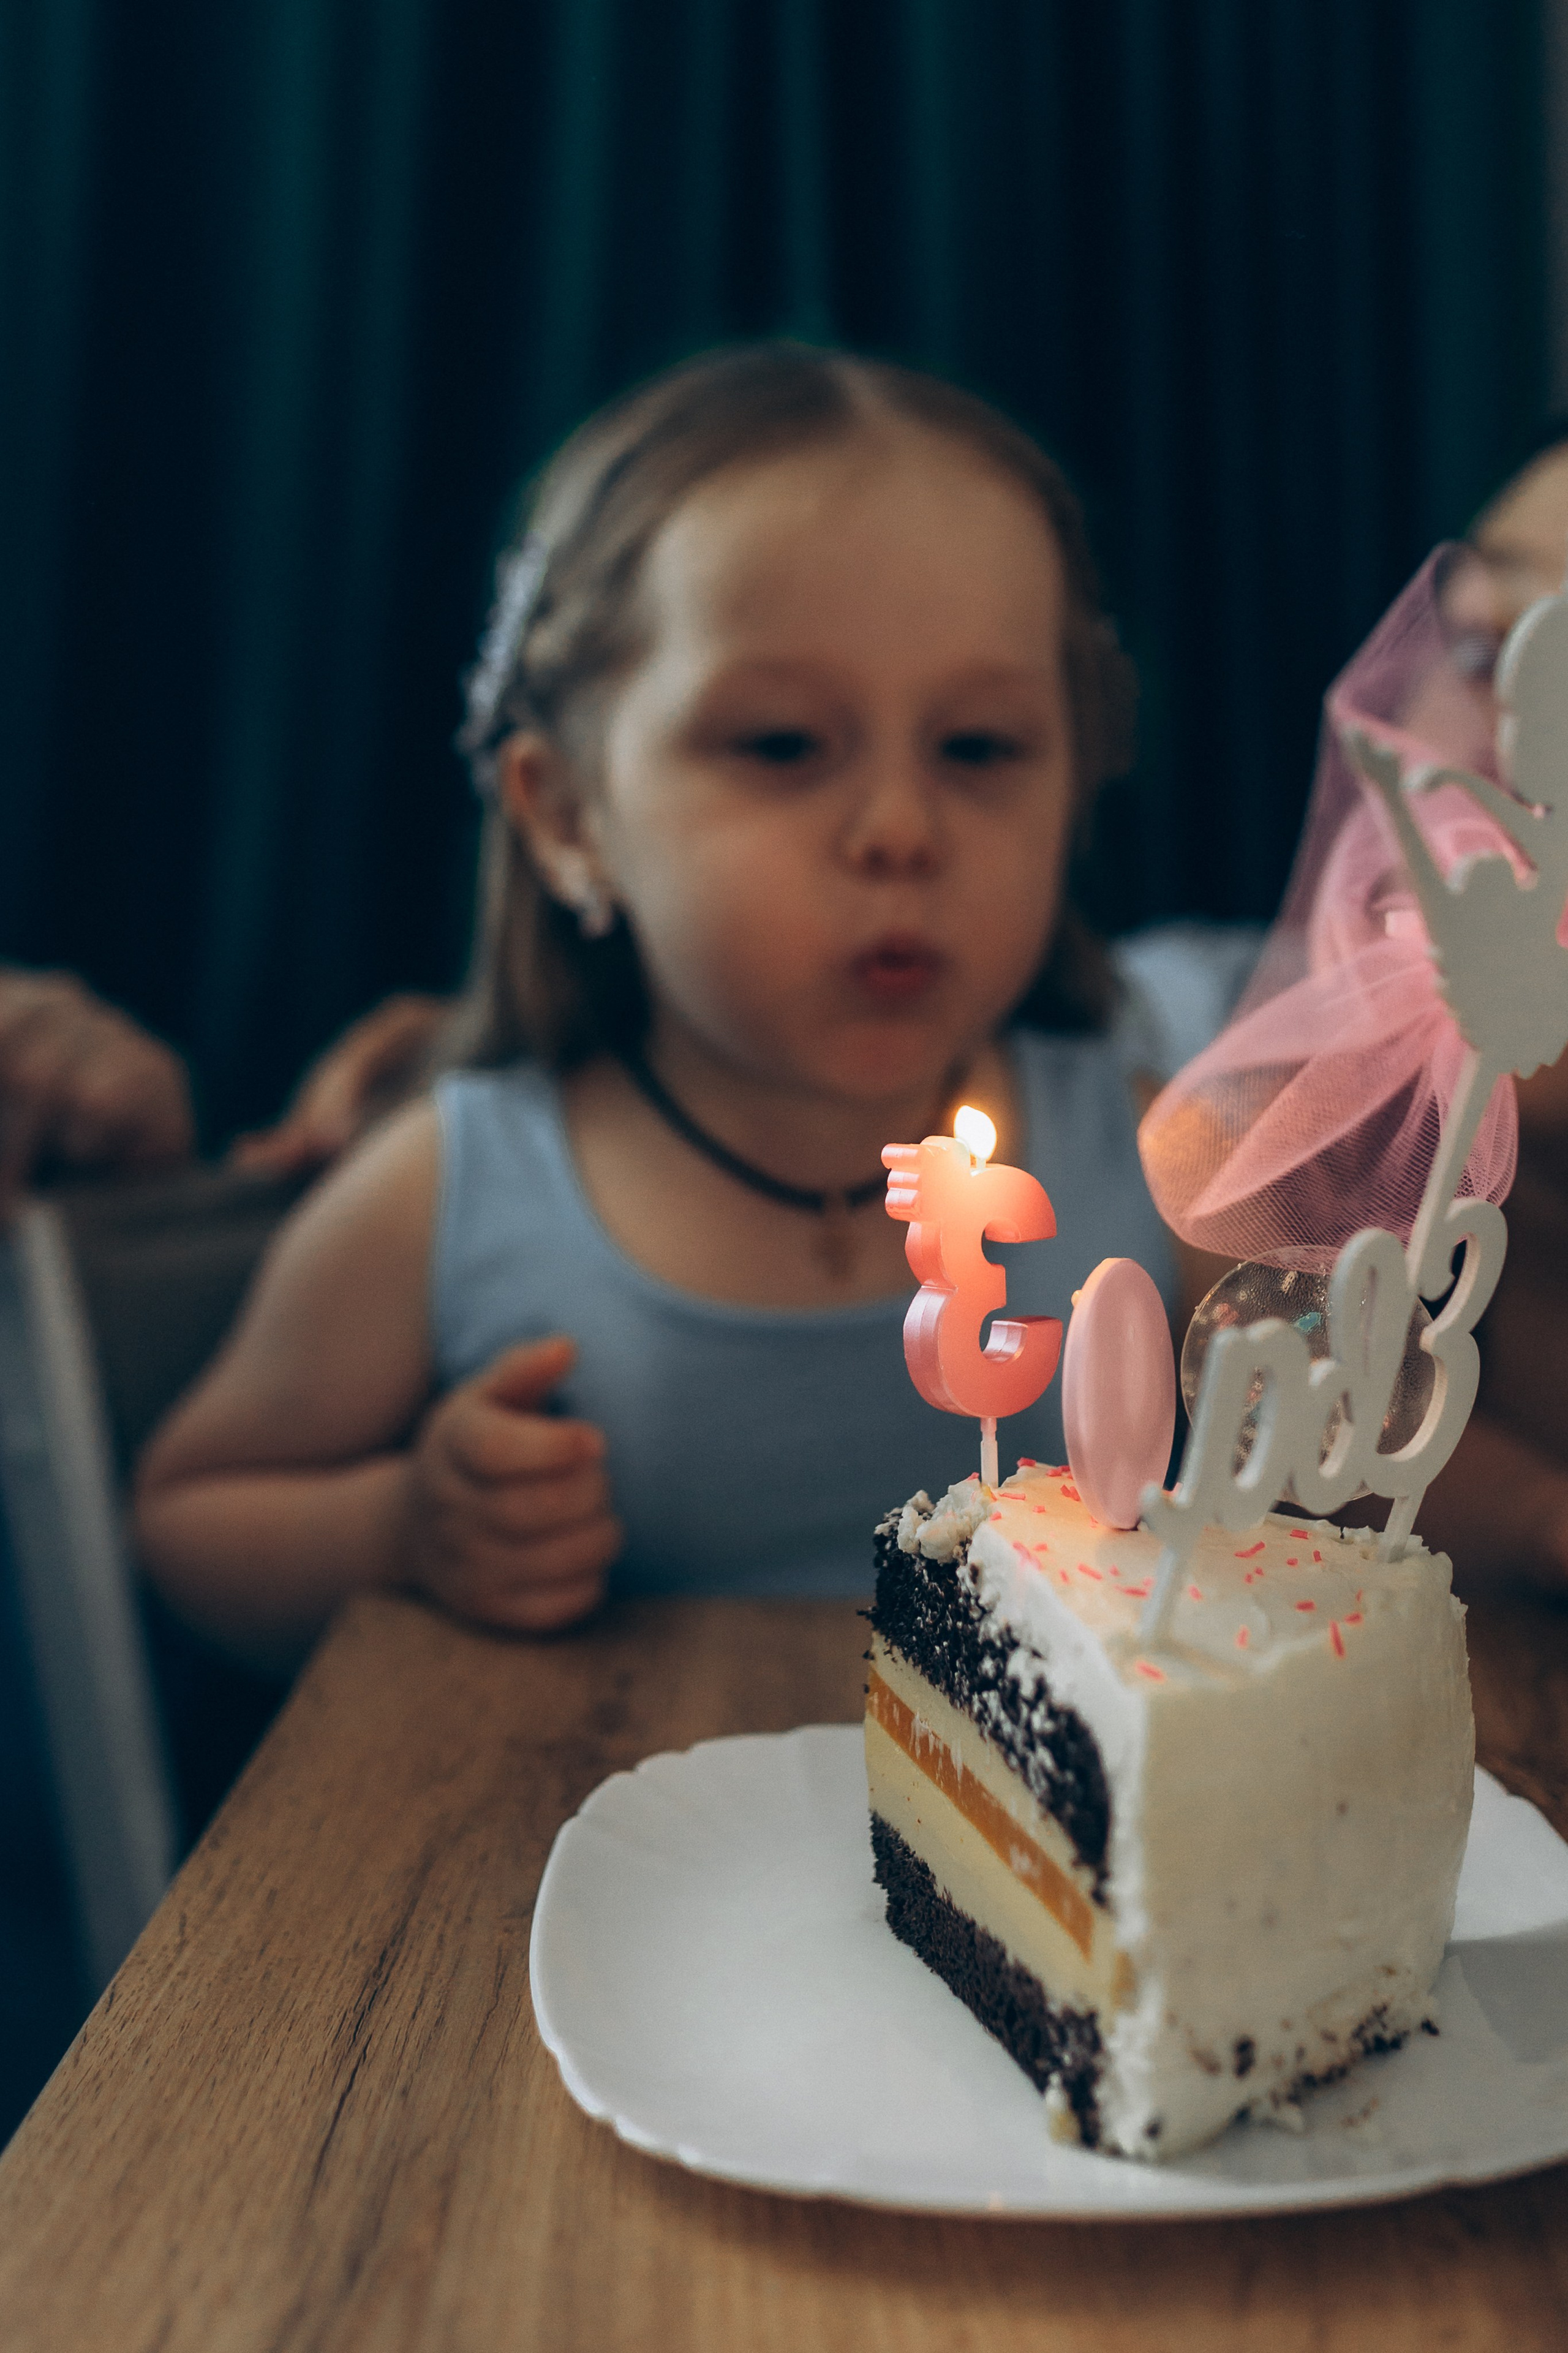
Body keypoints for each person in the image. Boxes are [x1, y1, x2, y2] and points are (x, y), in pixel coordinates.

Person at [133, 341, 1202, 1666]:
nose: (899, 828)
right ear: (568, 817)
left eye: (978, 746)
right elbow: (188, 1517)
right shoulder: (457, 1188)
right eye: (781, 744)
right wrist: (402, 1527)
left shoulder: (1161, 1163)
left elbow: (1362, 1475)